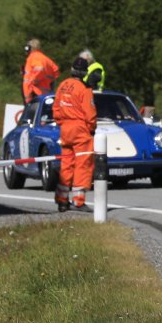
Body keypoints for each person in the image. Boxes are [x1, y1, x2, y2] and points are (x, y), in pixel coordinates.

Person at [52, 56, 97, 211]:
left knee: (66, 164)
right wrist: (91, 128)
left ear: (72, 69)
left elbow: (56, 108)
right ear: (84, 72)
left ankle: (62, 199)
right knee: (83, 164)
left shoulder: (63, 85)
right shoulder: (84, 89)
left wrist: (62, 123)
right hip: (80, 129)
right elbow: (90, 113)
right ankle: (78, 201)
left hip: (65, 128)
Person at [22, 39, 60, 104]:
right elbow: (56, 71)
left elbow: (39, 69)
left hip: (34, 92)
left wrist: (33, 81)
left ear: (29, 48)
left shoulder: (33, 57)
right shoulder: (46, 59)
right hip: (45, 95)